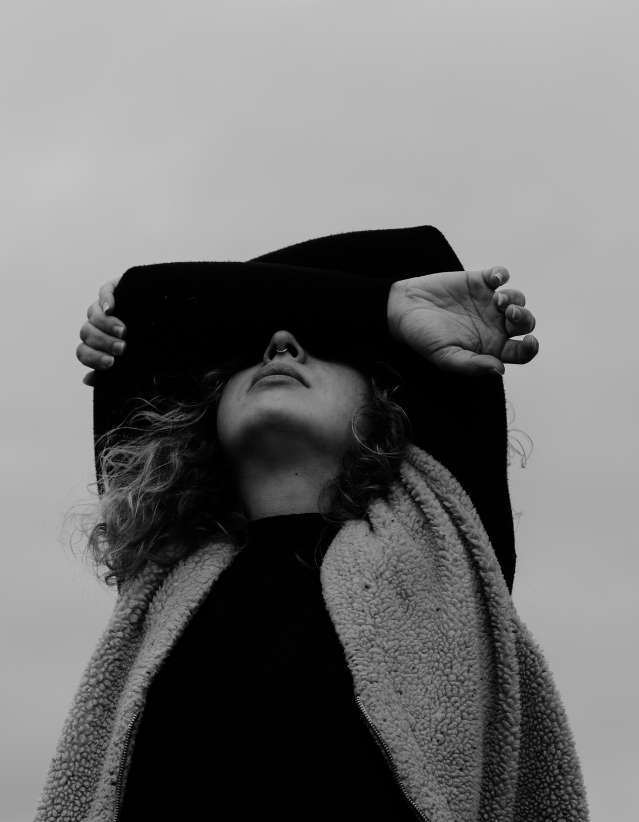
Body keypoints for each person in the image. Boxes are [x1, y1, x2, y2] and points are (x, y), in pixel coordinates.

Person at [35, 227, 588, 821]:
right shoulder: (169, 561)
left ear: (389, 403)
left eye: (322, 344)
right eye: (251, 350)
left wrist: (386, 311)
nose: (280, 347)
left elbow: (415, 258)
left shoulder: (443, 539)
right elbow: (146, 305)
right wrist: (372, 309)